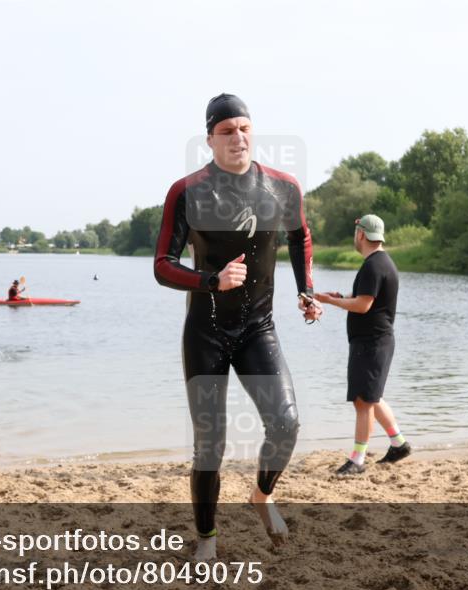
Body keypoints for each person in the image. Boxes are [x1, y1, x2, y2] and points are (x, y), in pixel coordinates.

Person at [154, 93, 322, 560]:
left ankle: (262, 496)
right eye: (226, 131)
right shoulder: (187, 191)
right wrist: (211, 280)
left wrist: (306, 290)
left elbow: (300, 236)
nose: (238, 138)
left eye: (244, 128)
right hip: (205, 331)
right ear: (210, 139)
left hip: (257, 328)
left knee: (286, 424)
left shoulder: (282, 187)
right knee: (210, 445)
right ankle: (207, 540)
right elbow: (163, 265)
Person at [315, 214, 410, 475]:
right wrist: (341, 296)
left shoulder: (373, 266)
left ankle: (357, 460)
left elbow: (362, 305)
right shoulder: (381, 262)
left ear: (361, 234)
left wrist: (330, 301)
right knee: (371, 396)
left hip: (371, 343)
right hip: (375, 341)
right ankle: (399, 444)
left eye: (355, 233)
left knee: (363, 401)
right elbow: (366, 298)